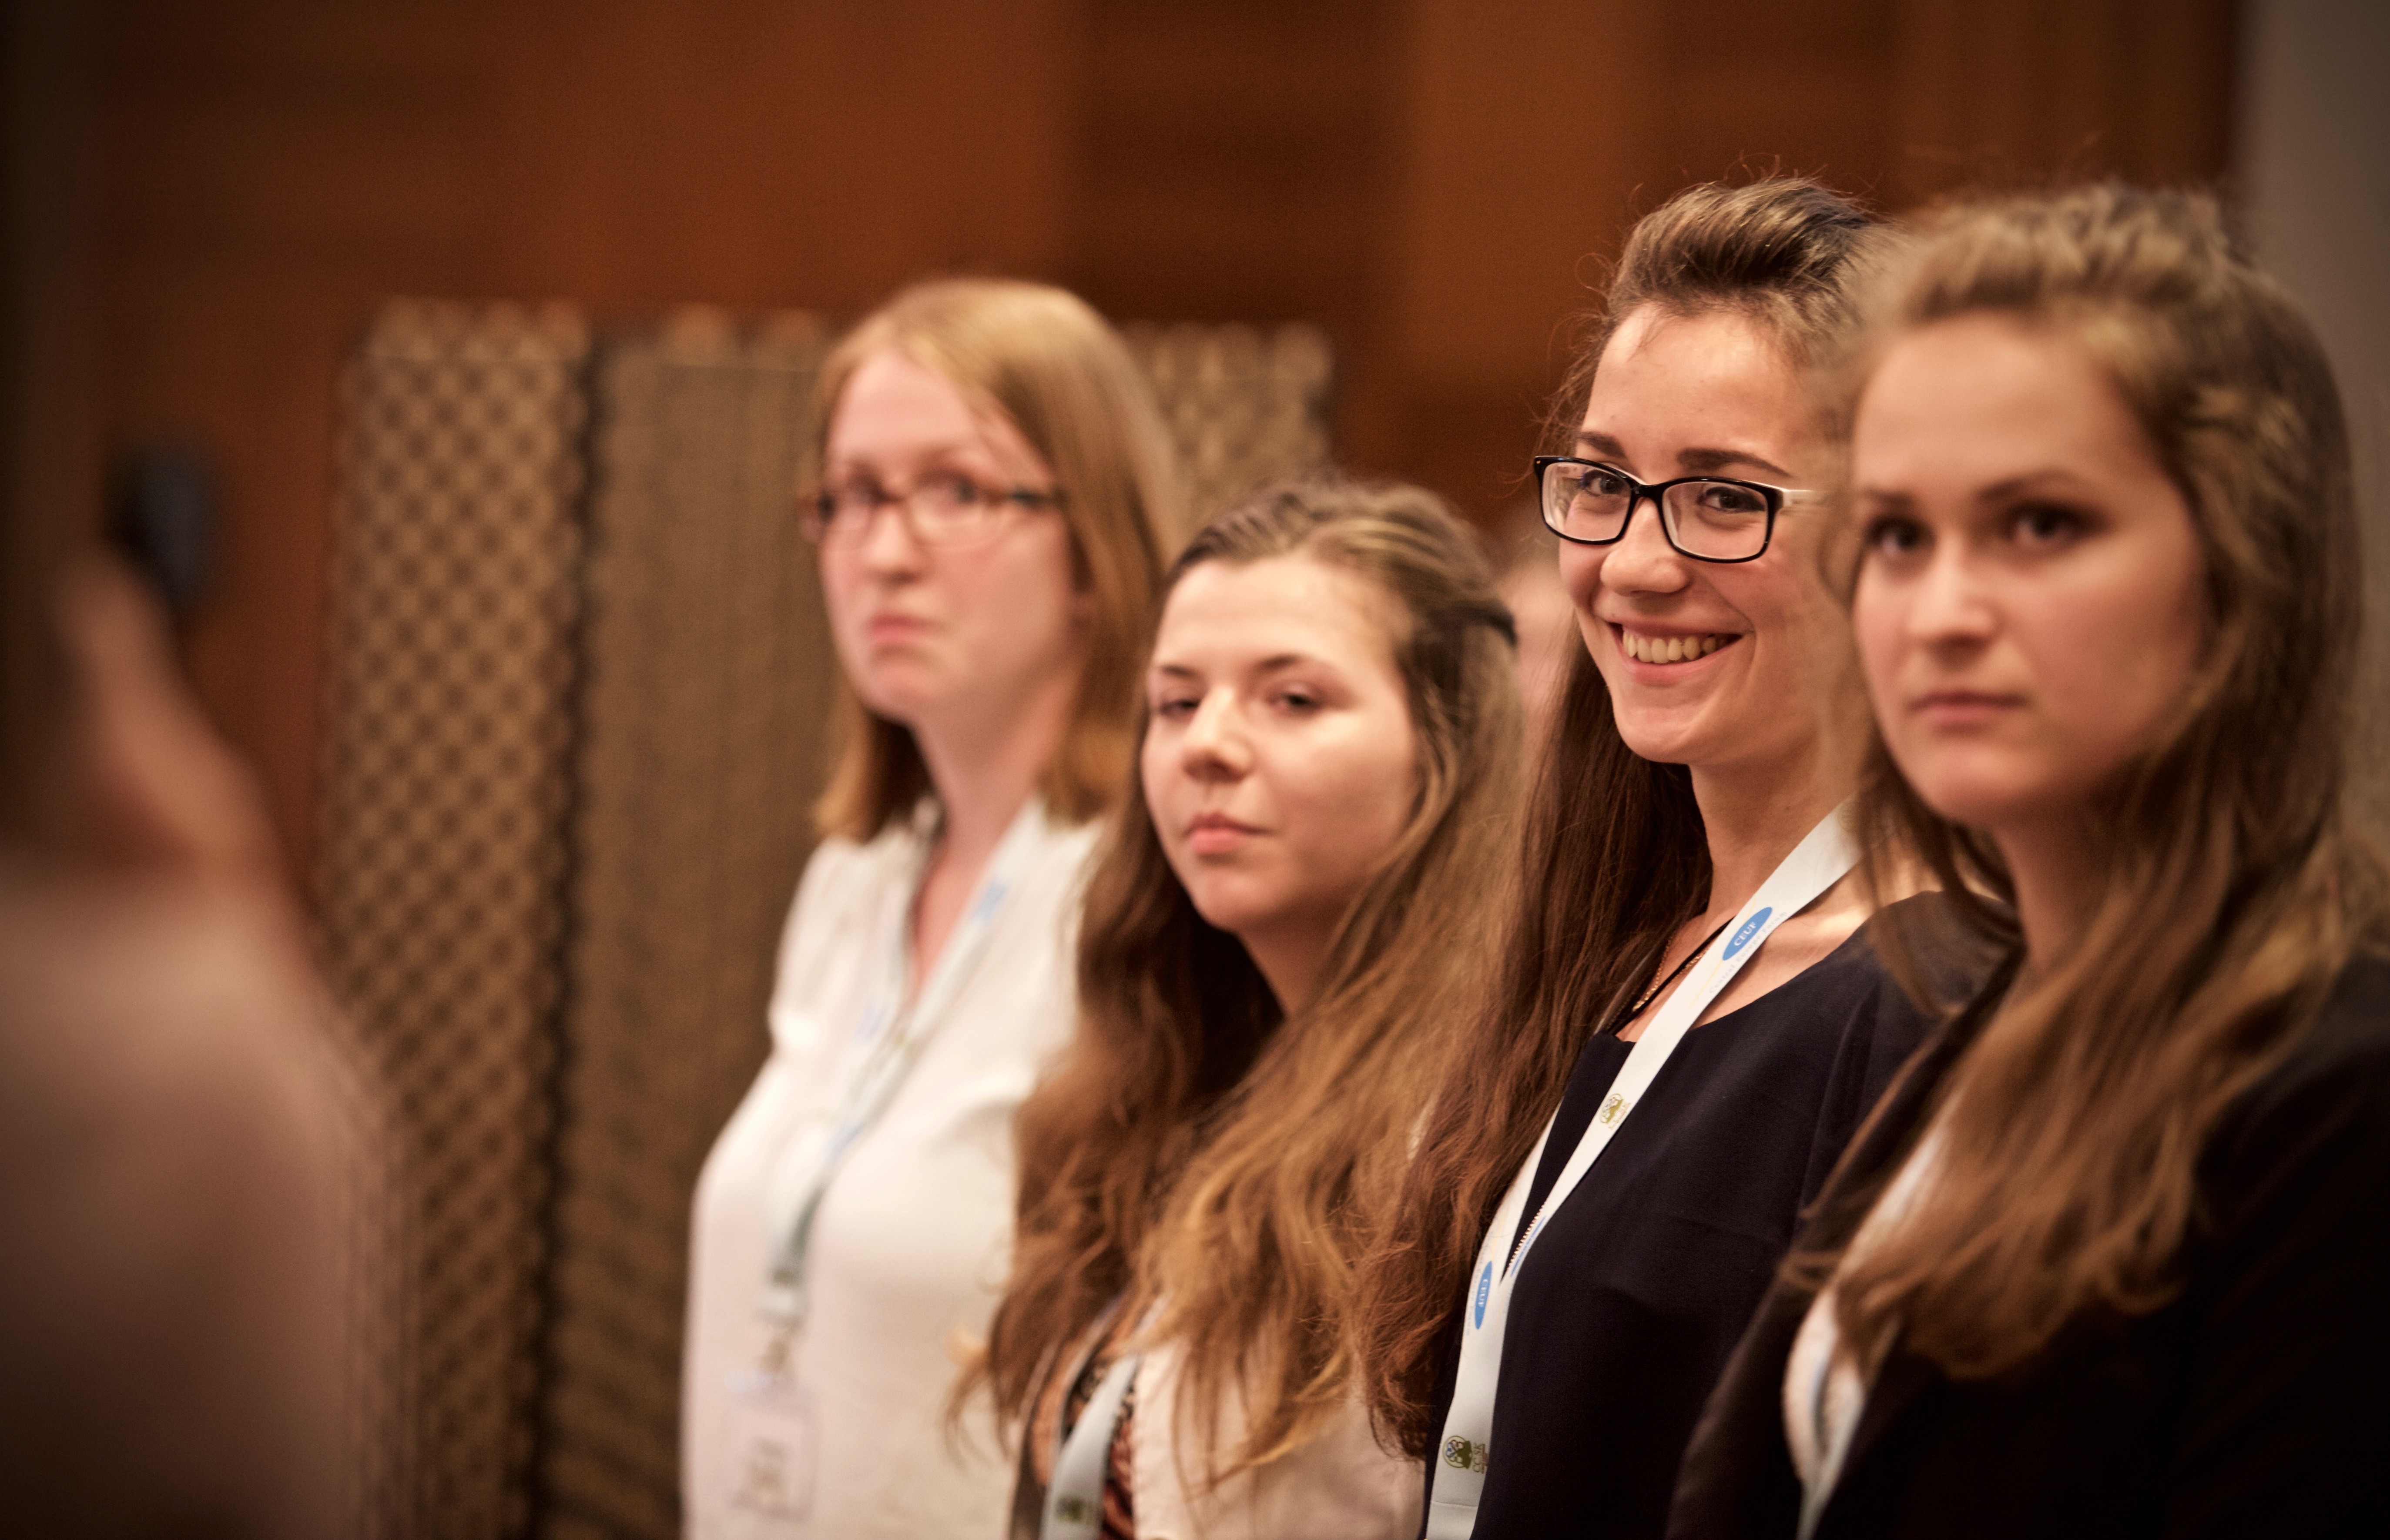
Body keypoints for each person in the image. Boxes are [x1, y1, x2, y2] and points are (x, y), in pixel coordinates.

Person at [1669, 186, 2390, 1539]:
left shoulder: (2337, 1095)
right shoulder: (2000, 1021)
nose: (1940, 612)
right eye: (1897, 535)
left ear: (2239, 565)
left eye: (2039, 525)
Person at [1354, 178, 1978, 1540]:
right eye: (1602, 483)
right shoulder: (1606, 949)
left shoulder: (1925, 1000)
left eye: (1723, 497)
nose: (1632, 564)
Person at [681, 278, 1177, 1540]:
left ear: (1093, 546)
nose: (884, 552)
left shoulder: (1153, 890)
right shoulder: (856, 877)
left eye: (956, 491)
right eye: (850, 495)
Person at [977, 479, 1525, 1540]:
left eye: (1292, 700)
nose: (1206, 746)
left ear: (1444, 751)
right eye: (1176, 703)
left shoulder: (1476, 1135)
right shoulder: (1155, 1080)